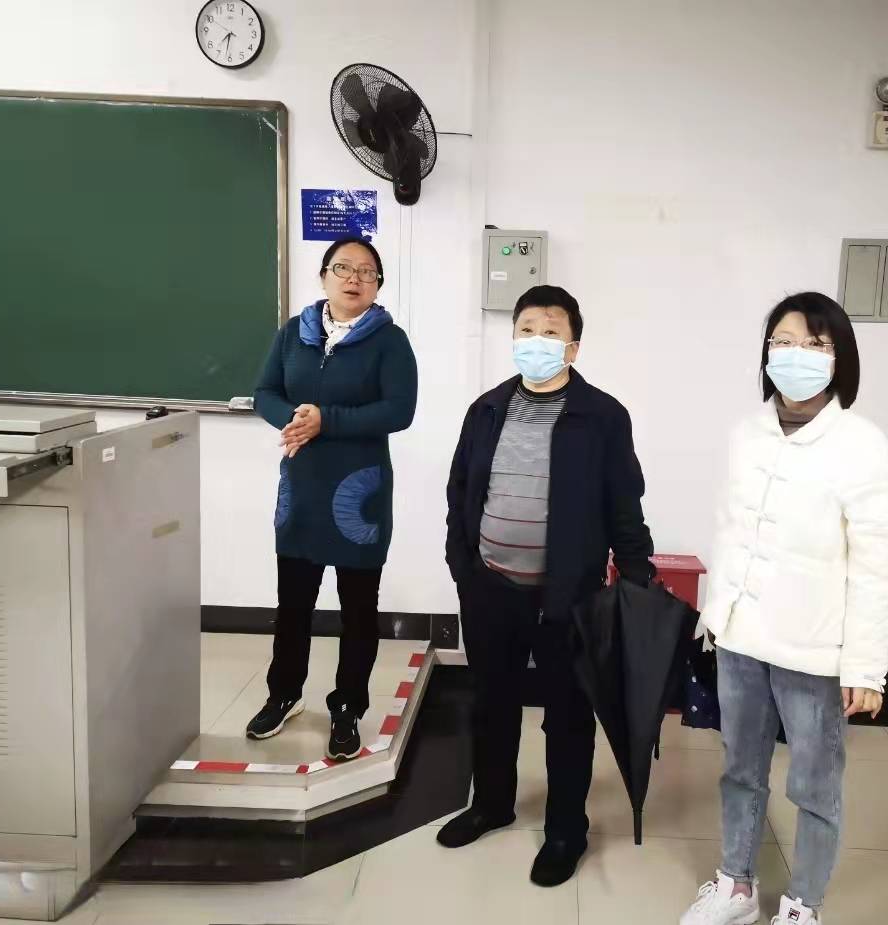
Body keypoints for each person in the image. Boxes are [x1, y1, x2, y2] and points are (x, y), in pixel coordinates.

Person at [681, 292, 888, 925]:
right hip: (741, 639)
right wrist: (716, 619)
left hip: (814, 648)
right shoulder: (744, 434)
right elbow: (731, 532)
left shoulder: (862, 444)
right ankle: (737, 886)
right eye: (783, 341)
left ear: (839, 359)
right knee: (740, 770)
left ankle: (804, 904)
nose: (795, 354)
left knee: (814, 785)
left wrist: (866, 667)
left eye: (814, 343)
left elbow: (876, 562)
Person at [439, 285, 655, 887]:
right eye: (527, 330)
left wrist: (637, 581)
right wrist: (462, 566)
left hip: (569, 595)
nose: (537, 341)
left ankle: (566, 829)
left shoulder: (602, 416)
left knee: (567, 715)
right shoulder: (486, 409)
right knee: (492, 702)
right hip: (490, 587)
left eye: (551, 331)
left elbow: (624, 504)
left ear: (573, 347)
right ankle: (492, 803)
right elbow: (461, 491)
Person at [246, 237, 418, 761]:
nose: (354, 279)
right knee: (293, 604)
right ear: (323, 276)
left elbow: (399, 410)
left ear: (378, 285)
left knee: (358, 610)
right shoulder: (293, 334)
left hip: (358, 497)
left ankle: (348, 707)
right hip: (301, 489)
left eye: (367, 272)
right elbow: (265, 393)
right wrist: (294, 419)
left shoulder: (390, 341)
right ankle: (284, 694)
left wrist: (327, 420)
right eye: (343, 268)